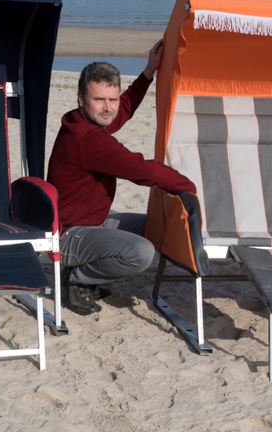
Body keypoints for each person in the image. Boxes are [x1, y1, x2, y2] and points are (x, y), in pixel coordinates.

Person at [47, 40, 196, 315]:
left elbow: (123, 109)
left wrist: (149, 71)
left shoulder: (82, 119)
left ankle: (85, 273)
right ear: (81, 99)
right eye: (99, 99)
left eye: (111, 99)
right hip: (69, 234)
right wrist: (189, 187)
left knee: (158, 226)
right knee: (141, 253)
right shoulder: (88, 140)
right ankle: (77, 278)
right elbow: (142, 170)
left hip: (93, 221)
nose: (108, 107)